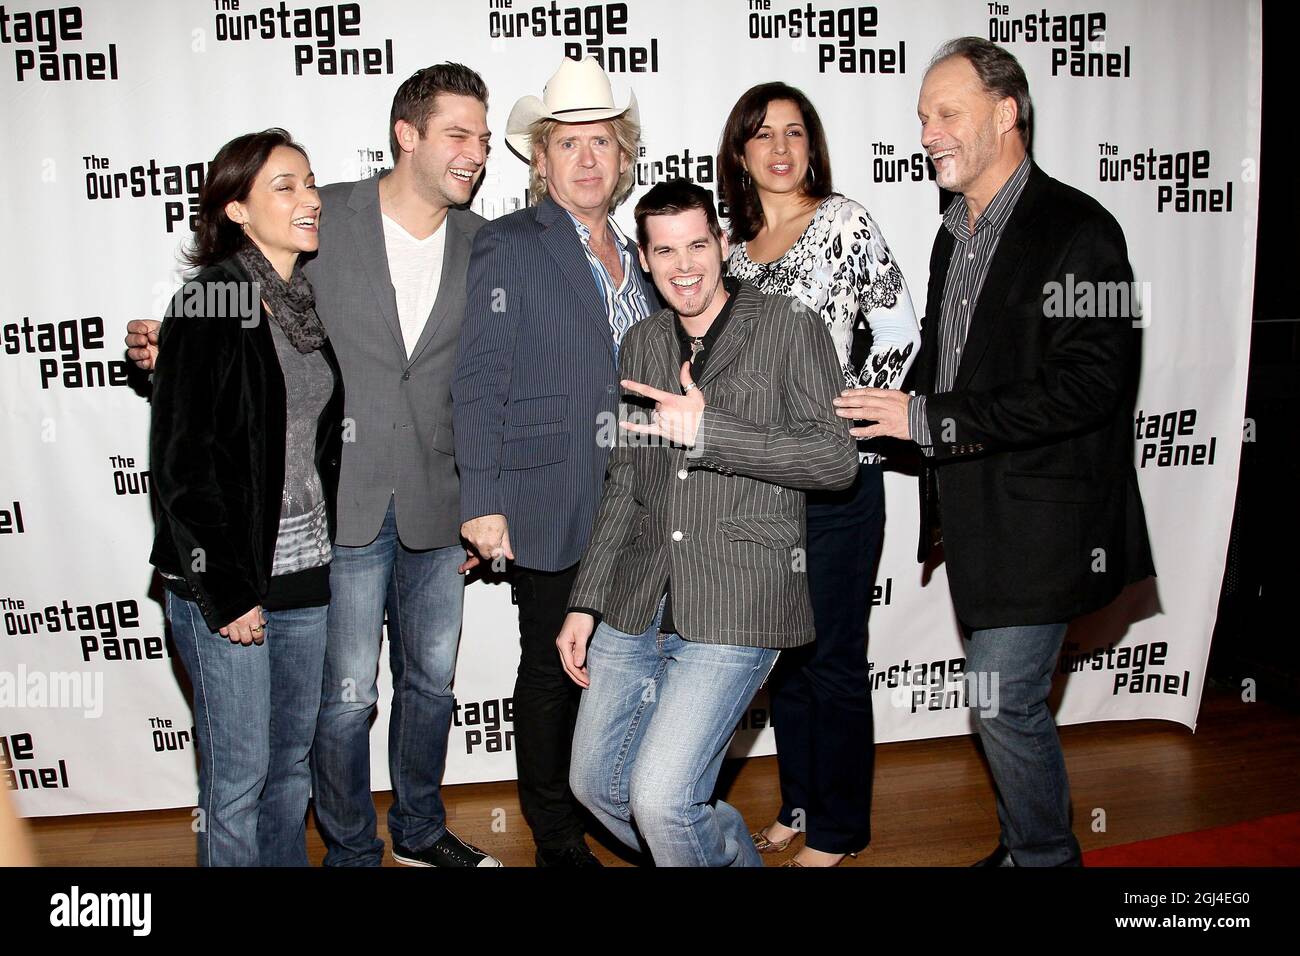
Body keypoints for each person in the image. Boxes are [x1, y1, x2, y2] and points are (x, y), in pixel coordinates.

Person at [129, 64, 501, 868]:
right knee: (286, 745)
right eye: (459, 133)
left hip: (357, 539)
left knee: (328, 742)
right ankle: (351, 850)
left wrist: (488, 497)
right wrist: (172, 347)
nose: (477, 150)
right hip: (278, 551)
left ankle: (417, 833)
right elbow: (191, 449)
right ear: (408, 135)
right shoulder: (269, 260)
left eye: (484, 134)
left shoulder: (462, 251)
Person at [841, 37, 1155, 866]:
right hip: (979, 521)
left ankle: (1047, 856)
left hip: (1046, 521)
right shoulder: (954, 233)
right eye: (921, 118)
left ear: (1006, 112)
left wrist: (930, 419)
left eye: (947, 112)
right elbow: (950, 368)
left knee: (1003, 701)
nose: (927, 132)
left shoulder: (1081, 228)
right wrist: (876, 411)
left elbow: (1094, 383)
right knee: (1000, 700)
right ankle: (1027, 846)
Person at [556, 178, 858, 867]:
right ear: (644, 256)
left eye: (698, 244)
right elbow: (625, 484)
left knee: (662, 800)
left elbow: (836, 460)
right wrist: (585, 601)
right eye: (665, 251)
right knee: (596, 786)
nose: (684, 265)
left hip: (738, 599)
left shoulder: (789, 326)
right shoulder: (640, 343)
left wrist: (710, 430)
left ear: (722, 245)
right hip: (638, 601)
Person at [453, 56, 657, 867]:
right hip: (549, 490)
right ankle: (555, 834)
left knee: (628, 663)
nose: (586, 159)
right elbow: (479, 380)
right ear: (539, 158)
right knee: (550, 669)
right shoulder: (509, 243)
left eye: (601, 142)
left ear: (623, 154)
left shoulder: (643, 253)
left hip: (642, 497)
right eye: (567, 143)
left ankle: (625, 808)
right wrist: (484, 496)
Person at [719, 83, 920, 867]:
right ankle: (801, 801)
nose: (779, 147)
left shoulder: (842, 222)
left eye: (794, 132)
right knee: (788, 658)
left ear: (812, 146)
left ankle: (840, 830)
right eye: (762, 134)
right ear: (740, 153)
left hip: (837, 483)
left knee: (833, 657)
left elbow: (899, 329)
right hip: (764, 490)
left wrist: (845, 416)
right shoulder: (732, 256)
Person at [149, 129, 343, 866]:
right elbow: (181, 462)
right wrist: (226, 593)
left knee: (290, 770)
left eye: (310, 181)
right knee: (237, 782)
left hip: (305, 574)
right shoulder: (213, 298)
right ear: (236, 209)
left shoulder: (300, 300)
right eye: (285, 186)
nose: (310, 199)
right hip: (227, 584)